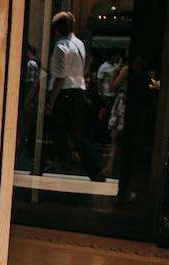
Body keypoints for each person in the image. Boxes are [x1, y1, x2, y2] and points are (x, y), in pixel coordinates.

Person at [45, 11, 104, 182]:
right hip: (77, 92)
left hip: (64, 94)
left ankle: (52, 160)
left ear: (56, 29)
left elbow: (60, 77)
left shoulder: (60, 47)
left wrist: (51, 102)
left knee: (52, 128)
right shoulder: (79, 44)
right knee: (78, 133)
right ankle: (93, 169)